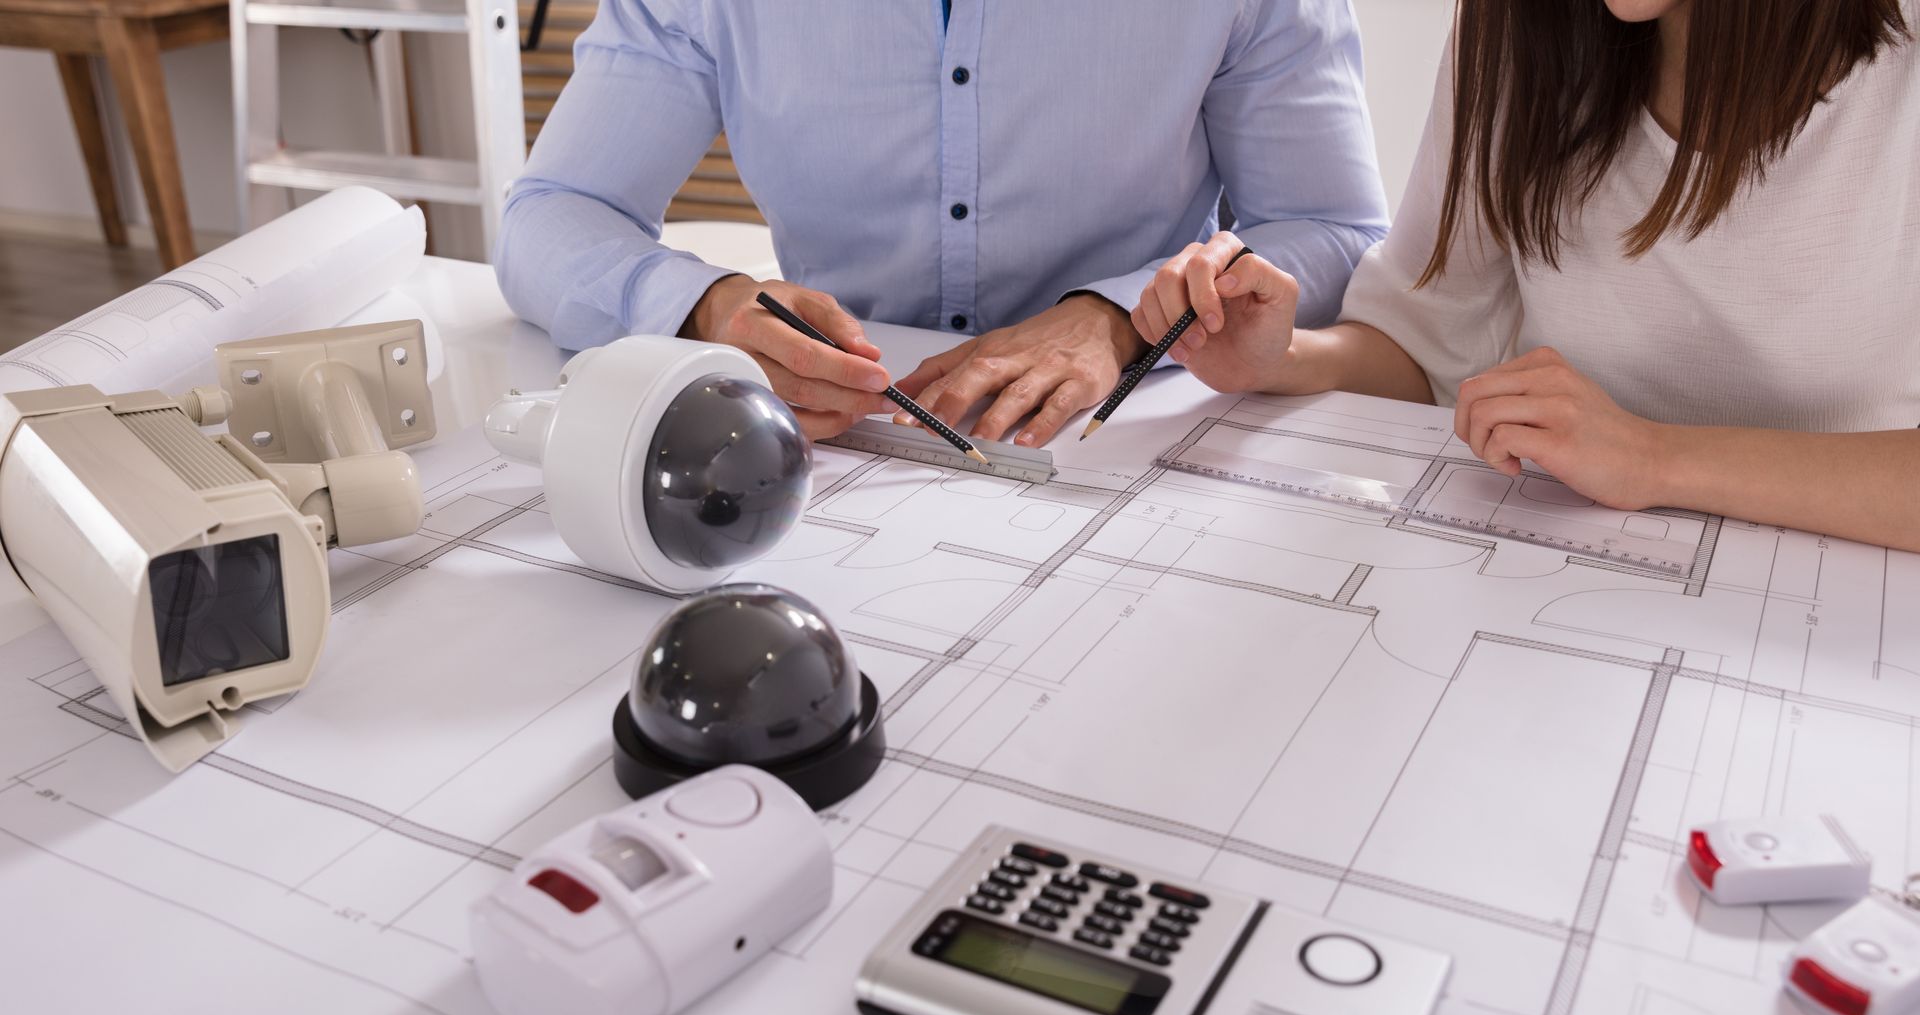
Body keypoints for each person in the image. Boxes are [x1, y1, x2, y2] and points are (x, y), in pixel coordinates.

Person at [1139, 0, 1920, 551]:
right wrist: (1281, 358)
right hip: (1561, 567)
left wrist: (1654, 458)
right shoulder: (1519, 27)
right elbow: (1423, 341)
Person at [494, 1, 1389, 445]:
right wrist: (705, 306)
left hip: (1126, 432)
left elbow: (1332, 227)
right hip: (836, 443)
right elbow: (551, 213)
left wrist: (1120, 318)